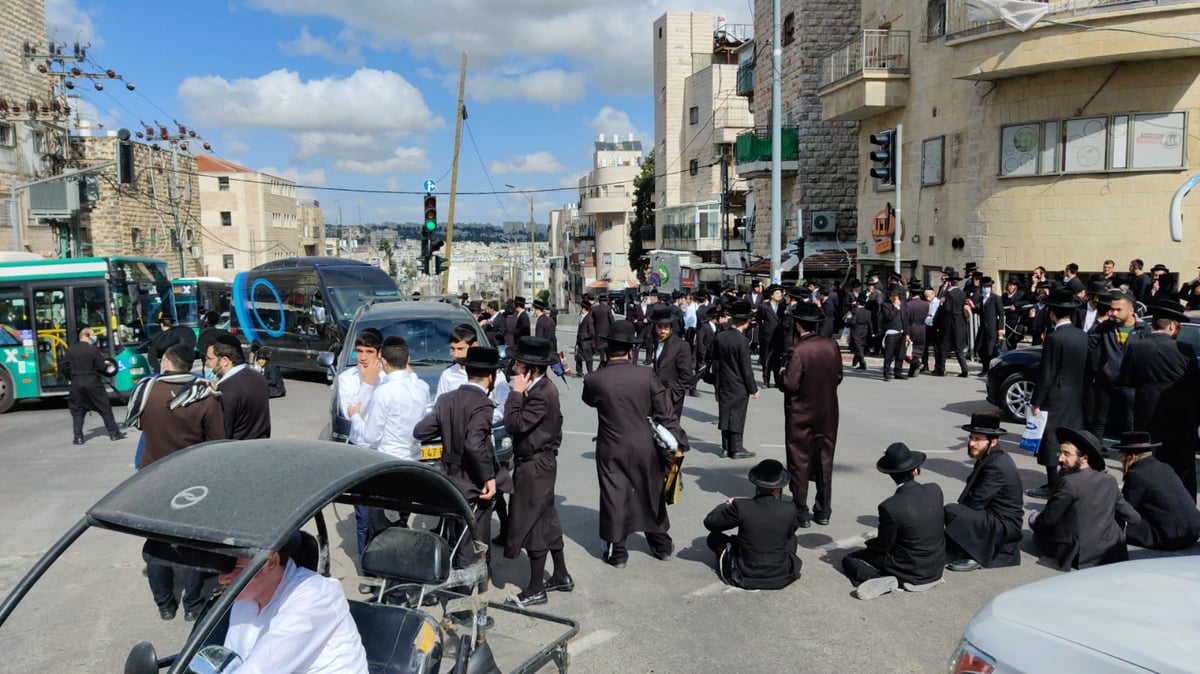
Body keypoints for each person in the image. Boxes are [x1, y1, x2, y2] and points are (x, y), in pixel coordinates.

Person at [125, 343, 223, 621]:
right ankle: (193, 605)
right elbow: (219, 441)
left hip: (153, 477)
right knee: (191, 543)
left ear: (167, 361)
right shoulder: (206, 395)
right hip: (193, 480)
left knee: (156, 542)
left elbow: (142, 427)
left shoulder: (145, 393)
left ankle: (165, 604)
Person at [582, 320, 685, 567]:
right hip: (644, 444)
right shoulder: (646, 374)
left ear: (607, 351)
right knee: (650, 491)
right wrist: (677, 441)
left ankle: (617, 551)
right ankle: (659, 542)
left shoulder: (594, 379)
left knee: (613, 494)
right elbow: (665, 411)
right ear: (631, 350)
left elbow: (590, 401)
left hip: (610, 445)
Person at [414, 346, 511, 568]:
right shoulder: (483, 404)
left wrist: (448, 426)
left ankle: (454, 573)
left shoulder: (446, 399)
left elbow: (420, 431)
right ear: (491, 376)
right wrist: (488, 477)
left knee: (453, 530)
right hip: (472, 479)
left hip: (448, 475)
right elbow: (474, 444)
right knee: (473, 537)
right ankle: (468, 584)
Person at [218, 542, 369, 674]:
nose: (221, 579)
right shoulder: (245, 599)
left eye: (233, 568)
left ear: (270, 562)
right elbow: (231, 661)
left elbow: (261, 668)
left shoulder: (314, 596)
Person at [501, 337, 572, 607]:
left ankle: (535, 588)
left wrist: (516, 393)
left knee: (533, 523)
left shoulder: (541, 393)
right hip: (537, 463)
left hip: (536, 465)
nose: (513, 368)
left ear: (530, 368)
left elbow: (514, 424)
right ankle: (561, 575)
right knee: (548, 518)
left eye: (518, 363)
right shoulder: (539, 387)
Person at [841, 443, 945, 600]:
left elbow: (884, 546)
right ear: (916, 470)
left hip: (911, 569)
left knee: (850, 559)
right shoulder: (935, 489)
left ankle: (885, 578)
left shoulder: (890, 506)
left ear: (890, 474)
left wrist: (870, 544)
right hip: (937, 565)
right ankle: (894, 575)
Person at [1119, 300, 1200, 500]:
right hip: (1181, 422)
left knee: (1148, 467)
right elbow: (1195, 386)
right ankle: (1186, 509)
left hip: (1147, 419)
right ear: (1172, 325)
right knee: (1182, 468)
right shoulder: (1185, 351)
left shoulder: (1136, 348)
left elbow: (1125, 382)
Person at [1029, 427, 1140, 570]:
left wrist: (1033, 518)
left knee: (1038, 532)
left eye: (1066, 454)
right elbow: (1133, 517)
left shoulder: (1070, 483)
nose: (1060, 458)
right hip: (1108, 551)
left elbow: (1048, 520)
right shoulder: (1110, 480)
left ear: (1084, 458)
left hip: (1079, 554)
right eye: (1060, 452)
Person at [779, 302, 843, 527]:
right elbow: (838, 377)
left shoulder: (798, 350)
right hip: (827, 410)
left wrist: (781, 373)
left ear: (797, 324)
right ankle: (824, 510)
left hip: (800, 413)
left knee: (799, 459)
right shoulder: (831, 345)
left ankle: (801, 512)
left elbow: (790, 384)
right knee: (825, 457)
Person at [703, 459, 803, 590]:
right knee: (791, 537)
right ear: (779, 487)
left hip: (746, 571)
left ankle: (729, 561)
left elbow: (711, 523)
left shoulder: (741, 506)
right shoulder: (789, 509)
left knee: (713, 538)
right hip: (780, 572)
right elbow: (792, 529)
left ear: (756, 484)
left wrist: (727, 504)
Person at [1027, 286, 1088, 500]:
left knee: (1050, 440)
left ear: (1052, 312)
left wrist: (1036, 401)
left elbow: (1047, 372)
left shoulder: (1055, 338)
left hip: (1055, 396)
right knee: (1071, 437)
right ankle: (1070, 478)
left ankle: (1053, 484)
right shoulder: (1082, 335)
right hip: (1076, 394)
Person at [944, 412, 1024, 572]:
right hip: (994, 518)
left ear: (992, 441)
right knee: (954, 513)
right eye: (971, 437)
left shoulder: (996, 466)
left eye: (977, 439)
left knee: (952, 512)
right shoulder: (990, 457)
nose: (971, 443)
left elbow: (975, 503)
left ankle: (974, 554)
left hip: (1004, 526)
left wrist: (957, 521)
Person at [336, 327, 384, 563]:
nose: (363, 357)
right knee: (363, 513)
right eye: (359, 352)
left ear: (379, 353)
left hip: (384, 452)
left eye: (369, 351)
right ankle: (366, 560)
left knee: (387, 510)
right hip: (359, 450)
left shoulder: (388, 378)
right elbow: (349, 411)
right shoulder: (347, 378)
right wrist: (367, 384)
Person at [1112, 431, 1200, 551]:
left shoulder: (1136, 474)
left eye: (1121, 453)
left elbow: (1126, 510)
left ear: (1132, 457)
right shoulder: (1164, 467)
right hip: (1194, 531)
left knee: (1114, 527)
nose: (1119, 457)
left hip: (1172, 537)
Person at [347, 336, 429, 461]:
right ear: (408, 360)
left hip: (390, 459)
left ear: (383, 361)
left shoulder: (384, 392)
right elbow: (412, 376)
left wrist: (355, 416)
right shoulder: (422, 386)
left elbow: (371, 436)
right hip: (415, 458)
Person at [1087, 292, 1149, 439]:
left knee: (1130, 422)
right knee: (1100, 419)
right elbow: (1089, 342)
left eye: (1118, 310)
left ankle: (1131, 454)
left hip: (1131, 383)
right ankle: (1096, 451)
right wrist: (1100, 321)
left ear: (1131, 310)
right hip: (1107, 379)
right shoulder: (1106, 327)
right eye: (1112, 309)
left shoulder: (1143, 329)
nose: (1114, 313)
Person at [711, 300, 758, 459]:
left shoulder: (720, 337)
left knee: (725, 413)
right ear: (745, 322)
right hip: (738, 384)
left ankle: (725, 448)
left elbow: (715, 363)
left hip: (723, 382)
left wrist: (716, 384)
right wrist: (753, 388)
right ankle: (737, 448)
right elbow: (746, 368)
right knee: (737, 415)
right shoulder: (742, 341)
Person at [63, 327, 125, 445]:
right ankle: (114, 433)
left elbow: (64, 367)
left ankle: (78, 437)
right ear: (86, 335)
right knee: (104, 408)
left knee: (77, 410)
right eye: (93, 335)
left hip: (76, 383)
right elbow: (101, 367)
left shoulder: (70, 350)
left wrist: (73, 377)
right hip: (93, 382)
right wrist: (106, 364)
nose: (94, 337)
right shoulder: (93, 349)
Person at [207, 334, 271, 440]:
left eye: (210, 359)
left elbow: (222, 435)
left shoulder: (225, 391)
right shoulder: (258, 377)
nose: (207, 364)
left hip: (237, 451)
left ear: (224, 361)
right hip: (262, 447)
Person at [649, 304, 695, 428]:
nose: (663, 331)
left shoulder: (681, 345)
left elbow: (686, 375)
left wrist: (673, 395)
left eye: (666, 327)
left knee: (670, 431)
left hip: (672, 396)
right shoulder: (656, 342)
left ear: (671, 327)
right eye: (660, 327)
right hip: (657, 395)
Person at [933, 270, 970, 377]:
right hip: (960, 323)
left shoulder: (949, 294)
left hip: (949, 323)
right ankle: (965, 369)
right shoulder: (962, 294)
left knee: (944, 347)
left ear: (949, 283)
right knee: (959, 349)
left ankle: (941, 369)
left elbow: (947, 308)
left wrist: (938, 318)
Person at [878, 284, 909, 381]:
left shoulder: (903, 305)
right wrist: (895, 307)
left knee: (900, 354)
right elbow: (889, 317)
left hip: (902, 332)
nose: (896, 297)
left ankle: (898, 372)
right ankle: (887, 373)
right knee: (889, 354)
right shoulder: (886, 305)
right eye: (893, 295)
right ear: (890, 296)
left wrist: (907, 333)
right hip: (891, 333)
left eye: (897, 295)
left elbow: (906, 318)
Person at [974, 277, 1003, 374]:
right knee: (981, 348)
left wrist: (1000, 328)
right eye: (984, 286)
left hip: (992, 328)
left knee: (990, 350)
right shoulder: (981, 298)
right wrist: (972, 307)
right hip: (983, 327)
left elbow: (1001, 314)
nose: (985, 288)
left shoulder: (996, 298)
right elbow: (980, 312)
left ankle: (990, 370)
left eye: (987, 286)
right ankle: (984, 368)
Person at [757, 284, 783, 386]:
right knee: (766, 358)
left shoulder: (782, 306)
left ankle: (777, 381)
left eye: (780, 293)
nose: (779, 295)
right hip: (767, 335)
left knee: (777, 359)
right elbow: (759, 320)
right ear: (771, 295)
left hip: (779, 335)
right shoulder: (764, 306)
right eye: (777, 293)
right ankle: (766, 379)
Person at [905, 283, 929, 377]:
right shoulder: (926, 304)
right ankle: (912, 371)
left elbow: (907, 320)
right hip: (922, 329)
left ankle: (916, 364)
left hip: (912, 328)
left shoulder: (908, 305)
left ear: (911, 294)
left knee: (908, 351)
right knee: (918, 350)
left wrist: (906, 333)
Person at [844, 294, 870, 371]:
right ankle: (857, 363)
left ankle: (862, 361)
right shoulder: (868, 312)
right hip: (865, 330)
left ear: (858, 303)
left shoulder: (855, 311)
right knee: (860, 346)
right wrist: (872, 332)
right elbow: (870, 323)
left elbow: (853, 322)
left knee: (857, 346)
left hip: (856, 330)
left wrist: (847, 322)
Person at [574, 299, 596, 376]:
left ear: (584, 308)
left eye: (581, 307)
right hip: (580, 342)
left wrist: (584, 336)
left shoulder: (589, 318)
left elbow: (592, 333)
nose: (580, 309)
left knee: (588, 358)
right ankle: (579, 371)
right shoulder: (582, 317)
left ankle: (590, 372)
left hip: (586, 342)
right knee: (578, 357)